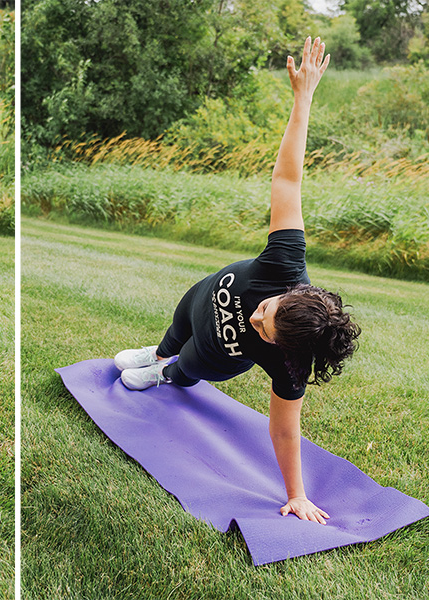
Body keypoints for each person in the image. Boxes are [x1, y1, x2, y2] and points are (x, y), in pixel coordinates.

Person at [113, 37, 360, 525]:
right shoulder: (287, 260)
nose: (254, 318)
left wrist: (297, 494)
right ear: (288, 294)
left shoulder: (290, 363)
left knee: (189, 367)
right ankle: (158, 353)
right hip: (203, 296)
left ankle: (167, 372)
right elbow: (287, 181)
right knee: (178, 325)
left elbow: (285, 431)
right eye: (265, 312)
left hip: (218, 356)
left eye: (262, 328)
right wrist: (303, 97)